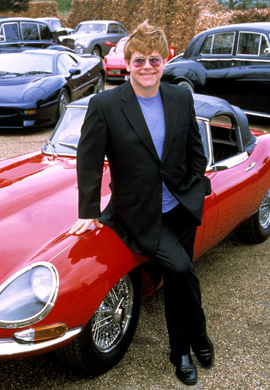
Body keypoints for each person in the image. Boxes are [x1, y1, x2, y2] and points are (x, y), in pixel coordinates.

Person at [70, 20, 214, 385]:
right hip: (138, 214)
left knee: (185, 276)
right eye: (139, 61)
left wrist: (194, 184)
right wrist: (88, 211)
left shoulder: (180, 97)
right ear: (126, 62)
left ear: (165, 60)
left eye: (154, 60)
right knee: (180, 270)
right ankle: (183, 348)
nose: (147, 67)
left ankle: (193, 337)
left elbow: (195, 152)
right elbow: (88, 160)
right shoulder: (105, 105)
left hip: (180, 207)